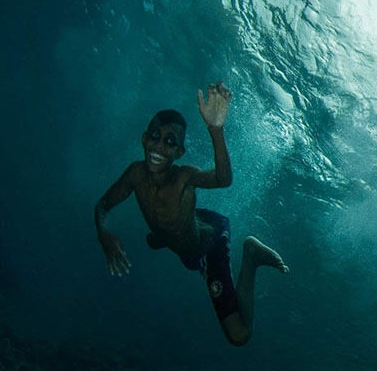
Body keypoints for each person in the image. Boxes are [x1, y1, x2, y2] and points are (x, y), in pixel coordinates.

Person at [94, 82, 288, 346]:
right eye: (155, 136)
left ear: (179, 152)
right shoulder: (135, 174)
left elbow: (223, 179)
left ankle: (251, 255)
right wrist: (103, 233)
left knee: (239, 335)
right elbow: (103, 204)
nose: (159, 147)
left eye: (170, 142)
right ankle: (165, 238)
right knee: (154, 240)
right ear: (144, 138)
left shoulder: (184, 177)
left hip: (209, 246)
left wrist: (215, 130)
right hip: (189, 227)